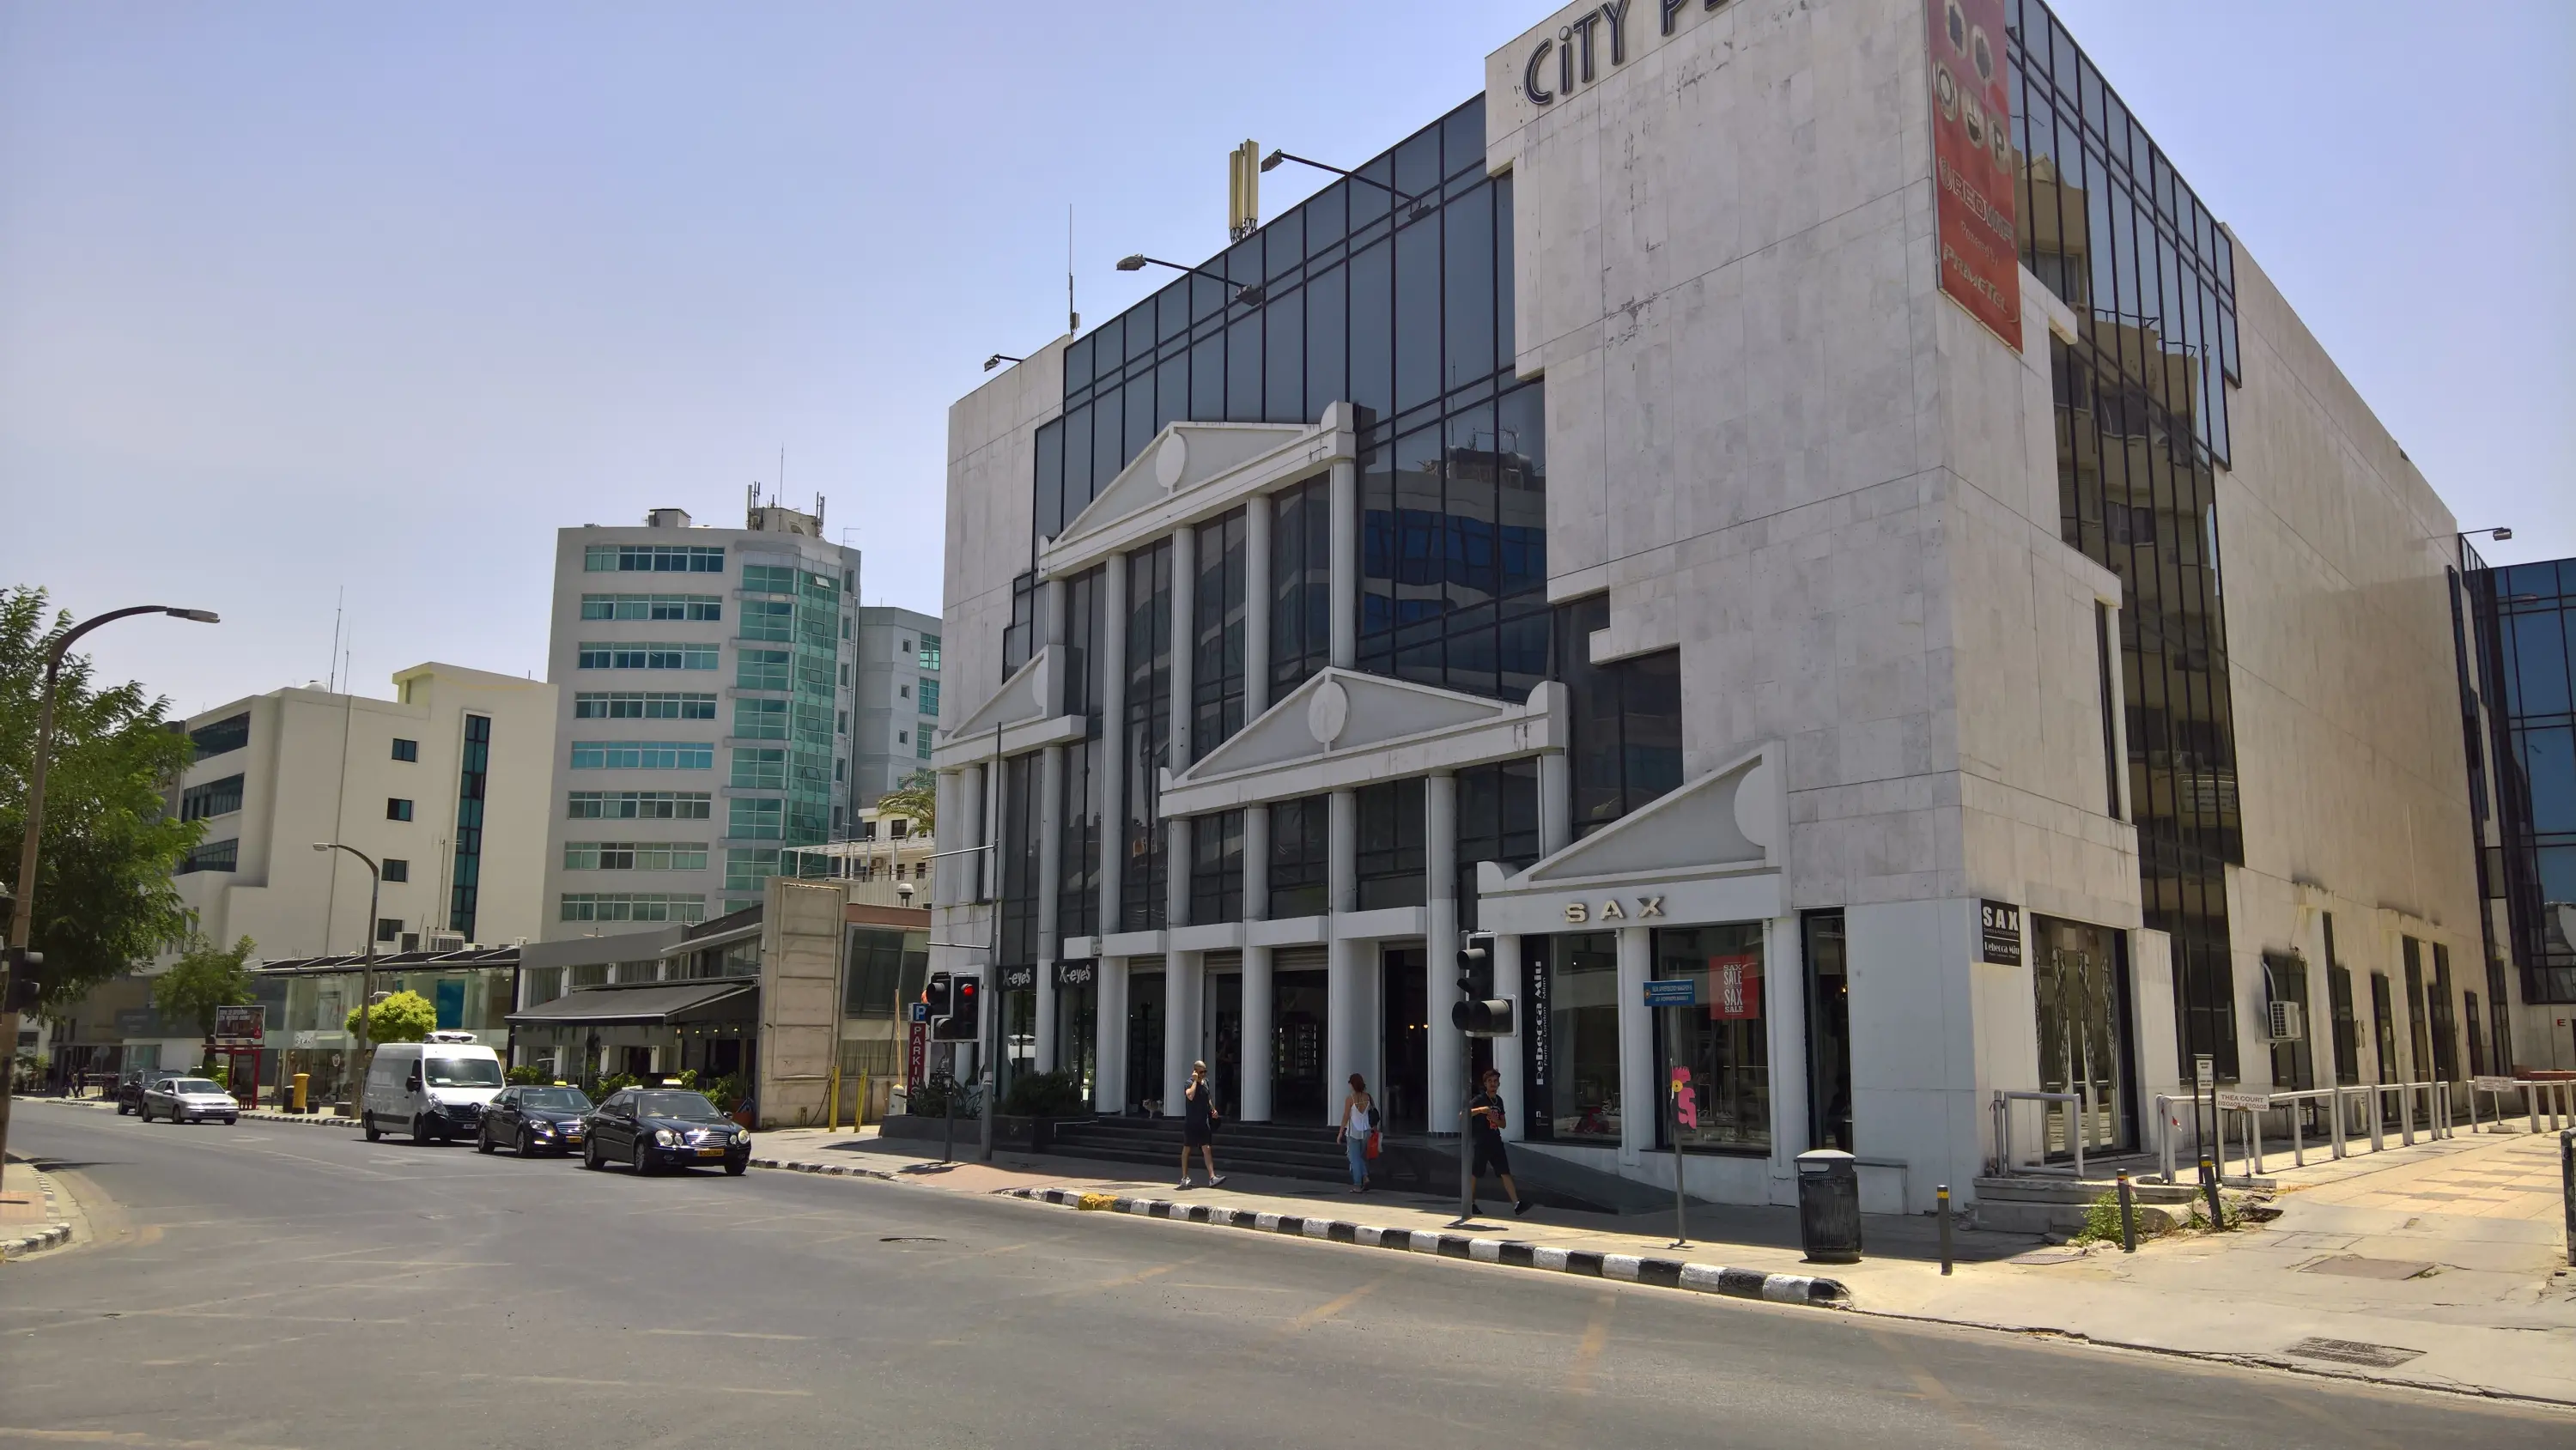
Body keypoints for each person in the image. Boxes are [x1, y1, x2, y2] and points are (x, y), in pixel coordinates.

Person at [1466, 1067, 1531, 1216]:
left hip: (1496, 1141)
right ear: (1485, 1084)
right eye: (1490, 1081)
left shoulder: (1499, 1101)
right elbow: (1463, 1114)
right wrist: (1480, 1110)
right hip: (1482, 1141)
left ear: (1499, 1083)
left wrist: (1496, 1119)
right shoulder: (1479, 1099)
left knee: (1504, 1172)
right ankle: (1470, 1202)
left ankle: (1517, 1204)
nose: (1493, 1084)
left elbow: (1503, 1124)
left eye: (1495, 1081)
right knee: (1476, 1172)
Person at [1177, 1060, 1226, 1190]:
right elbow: (1190, 1096)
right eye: (1201, 1072)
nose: (1203, 1074)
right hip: (1191, 1122)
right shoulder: (1189, 1083)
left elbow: (1208, 1097)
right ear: (1195, 1071)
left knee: (1207, 1148)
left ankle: (1212, 1177)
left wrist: (1213, 1110)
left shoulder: (1206, 1082)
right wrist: (1195, 1081)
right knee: (1187, 1148)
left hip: (1203, 1121)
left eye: (1205, 1072)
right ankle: (1184, 1177)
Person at [1336, 1072, 1377, 1193]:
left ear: (1353, 1084)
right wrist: (1375, 1128)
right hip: (1366, 1131)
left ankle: (1358, 1184)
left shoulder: (1350, 1099)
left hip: (1353, 1132)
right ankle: (1365, 1177)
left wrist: (1340, 1133)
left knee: (1354, 1158)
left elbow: (1346, 1116)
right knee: (1358, 1157)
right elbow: (1374, 1114)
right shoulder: (1368, 1097)